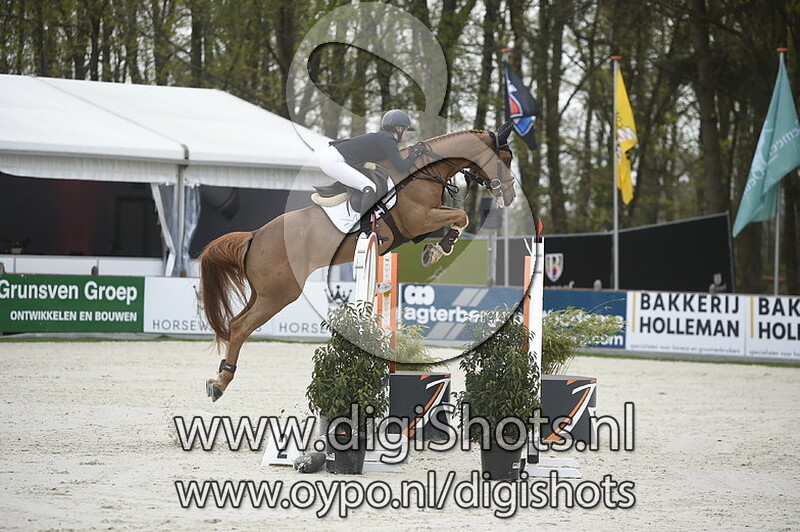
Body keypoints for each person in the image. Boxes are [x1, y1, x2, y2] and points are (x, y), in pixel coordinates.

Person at [318, 109, 420, 216]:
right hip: (333, 159)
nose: (407, 134)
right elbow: (401, 167)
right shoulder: (388, 139)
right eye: (406, 130)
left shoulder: (384, 138)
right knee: (369, 187)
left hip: (332, 156)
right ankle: (364, 225)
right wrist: (415, 153)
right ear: (399, 129)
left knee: (366, 185)